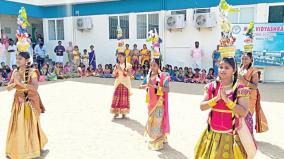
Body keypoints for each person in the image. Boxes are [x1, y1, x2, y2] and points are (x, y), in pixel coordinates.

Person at [194, 57, 254, 159]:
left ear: (234, 70)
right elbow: (202, 106)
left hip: (231, 134)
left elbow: (243, 112)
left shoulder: (241, 89)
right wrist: (216, 99)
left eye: (227, 67)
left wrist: (227, 101)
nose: (222, 70)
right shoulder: (211, 87)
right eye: (221, 67)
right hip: (212, 132)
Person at [5, 52, 48, 159]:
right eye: (17, 58)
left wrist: (20, 84)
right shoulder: (15, 71)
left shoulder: (32, 72)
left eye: (20, 58)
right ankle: (18, 150)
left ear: (27, 60)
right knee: (18, 126)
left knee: (32, 124)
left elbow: (35, 88)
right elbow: (8, 87)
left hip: (30, 101)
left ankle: (35, 148)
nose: (17, 60)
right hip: (18, 102)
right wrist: (14, 84)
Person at [139, 59, 170, 151]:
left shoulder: (163, 77)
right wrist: (143, 86)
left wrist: (156, 86)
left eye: (154, 65)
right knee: (151, 120)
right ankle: (160, 136)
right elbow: (142, 85)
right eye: (151, 65)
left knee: (158, 121)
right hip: (150, 102)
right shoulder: (148, 76)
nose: (152, 67)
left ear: (159, 66)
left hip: (159, 102)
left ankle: (157, 141)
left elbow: (167, 89)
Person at [238, 52, 268, 134]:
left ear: (251, 60)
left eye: (246, 59)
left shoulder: (254, 70)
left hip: (250, 95)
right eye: (242, 58)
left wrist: (243, 81)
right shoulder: (240, 68)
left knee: (248, 115)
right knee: (239, 114)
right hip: (239, 94)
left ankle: (249, 136)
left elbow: (255, 86)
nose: (244, 60)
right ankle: (240, 135)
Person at [111, 52, 132, 118]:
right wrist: (115, 72)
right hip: (118, 83)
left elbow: (130, 74)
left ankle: (124, 112)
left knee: (124, 98)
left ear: (124, 57)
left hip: (125, 83)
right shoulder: (117, 65)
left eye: (121, 56)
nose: (119, 58)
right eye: (118, 57)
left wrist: (121, 70)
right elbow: (114, 74)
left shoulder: (128, 65)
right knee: (117, 97)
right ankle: (116, 112)